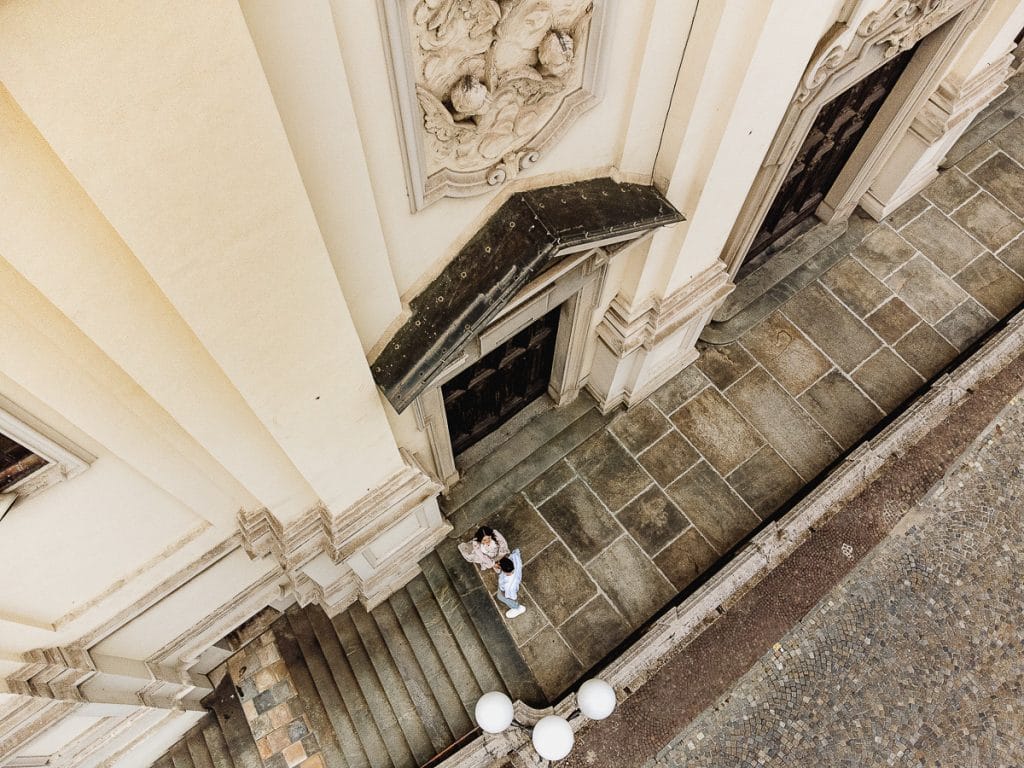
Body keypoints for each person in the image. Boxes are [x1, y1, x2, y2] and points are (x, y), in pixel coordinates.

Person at [496, 549, 525, 619]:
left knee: (500, 596)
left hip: (508, 591)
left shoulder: (509, 586)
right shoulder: (514, 560)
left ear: (503, 570)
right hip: (513, 580)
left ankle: (516, 607)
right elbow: (516, 552)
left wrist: (504, 593)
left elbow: (512, 597)